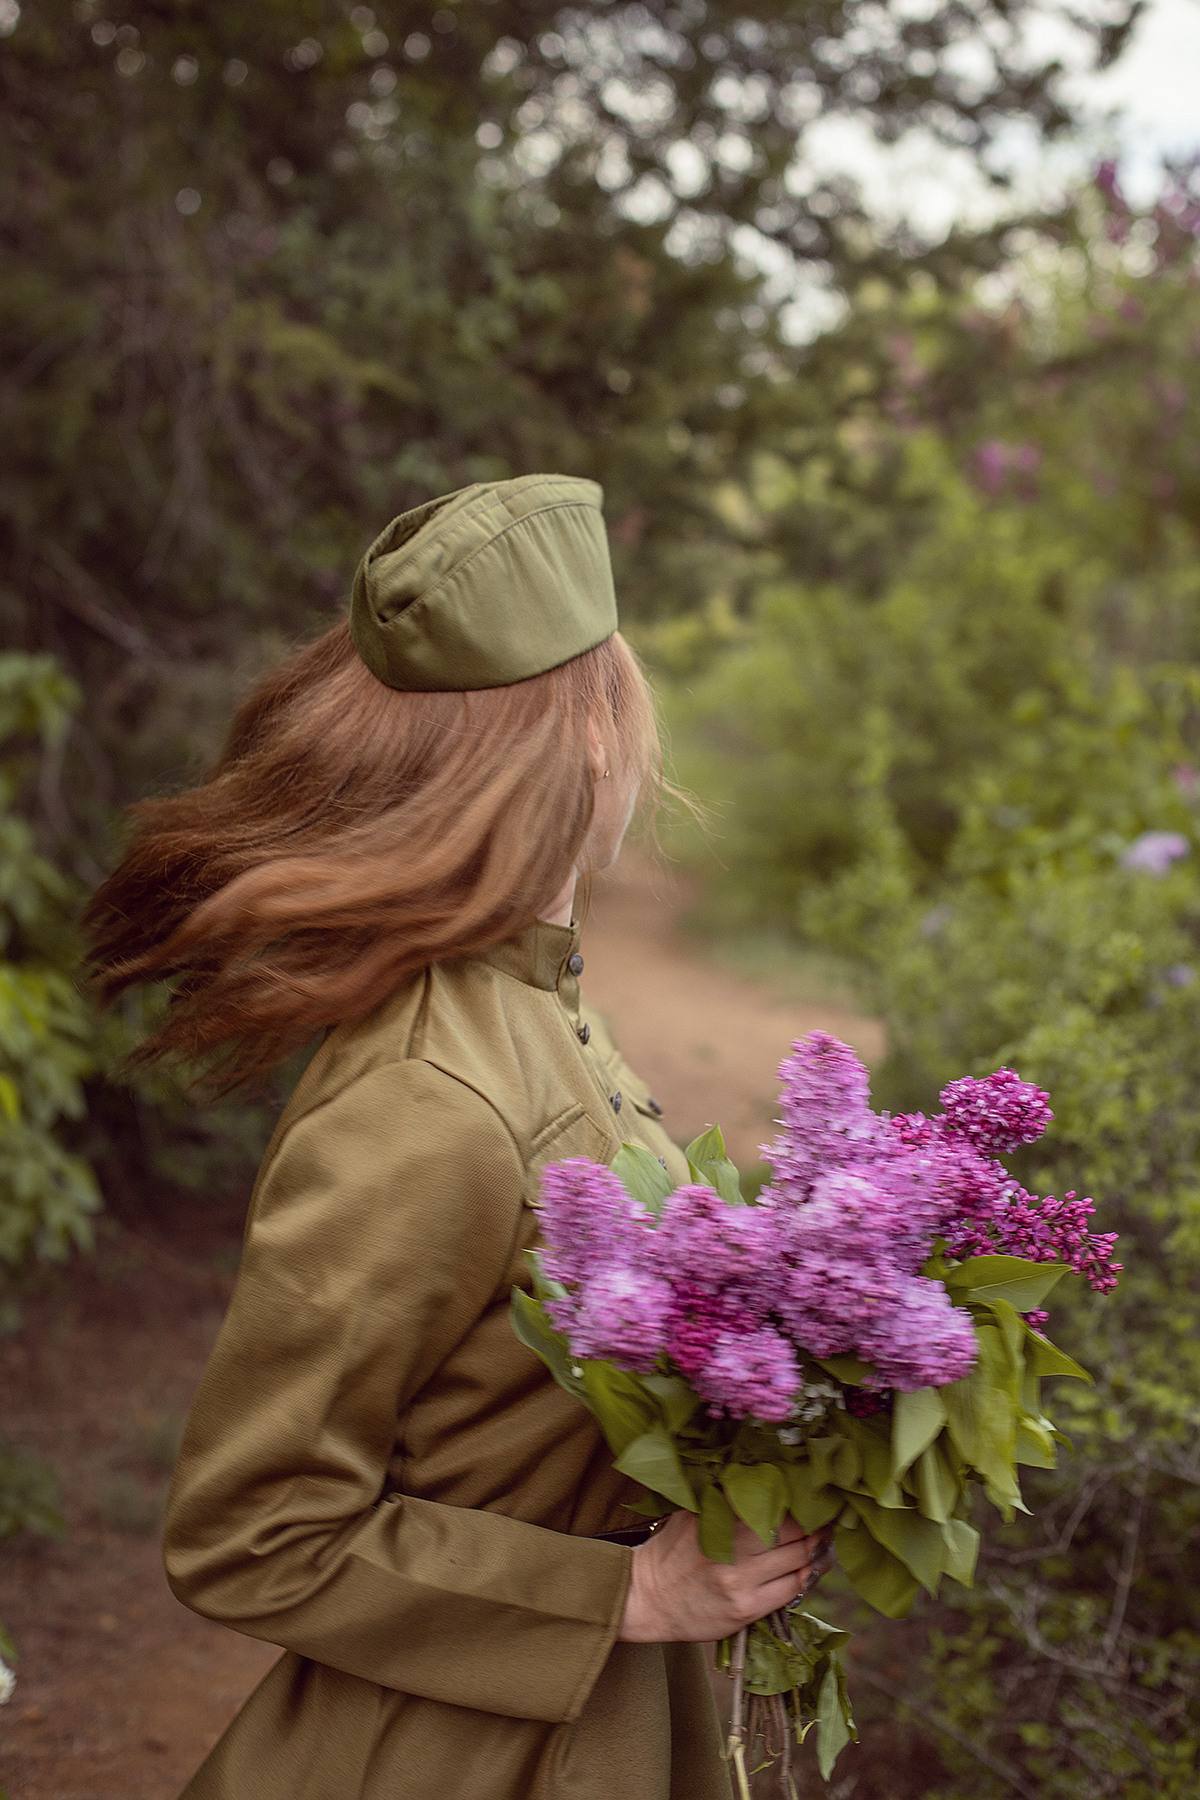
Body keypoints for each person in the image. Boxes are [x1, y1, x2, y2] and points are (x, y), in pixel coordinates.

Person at [85, 475, 826, 1800]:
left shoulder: (537, 1003)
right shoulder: (427, 1095)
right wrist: (626, 1596)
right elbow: (249, 1530)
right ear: (588, 737)